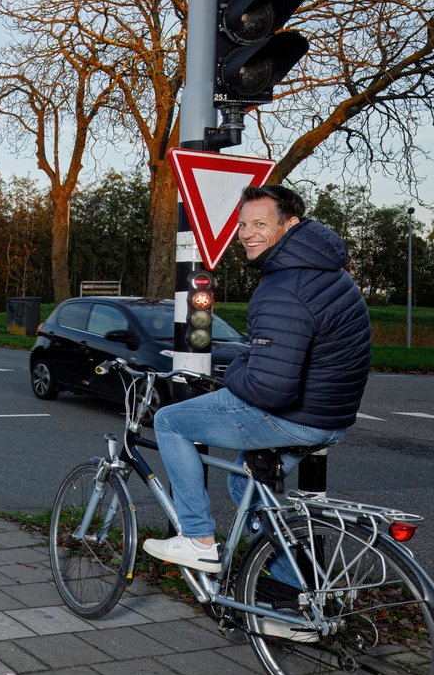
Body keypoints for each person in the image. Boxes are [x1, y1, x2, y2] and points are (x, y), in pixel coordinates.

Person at [142, 184, 373, 597]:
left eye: (260, 224)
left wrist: (232, 373)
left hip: (294, 417)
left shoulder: (285, 286)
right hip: (329, 417)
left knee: (170, 421)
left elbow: (269, 388)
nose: (247, 233)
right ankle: (293, 594)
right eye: (243, 224)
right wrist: (247, 365)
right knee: (242, 485)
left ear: (290, 225)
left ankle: (198, 538)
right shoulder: (327, 273)